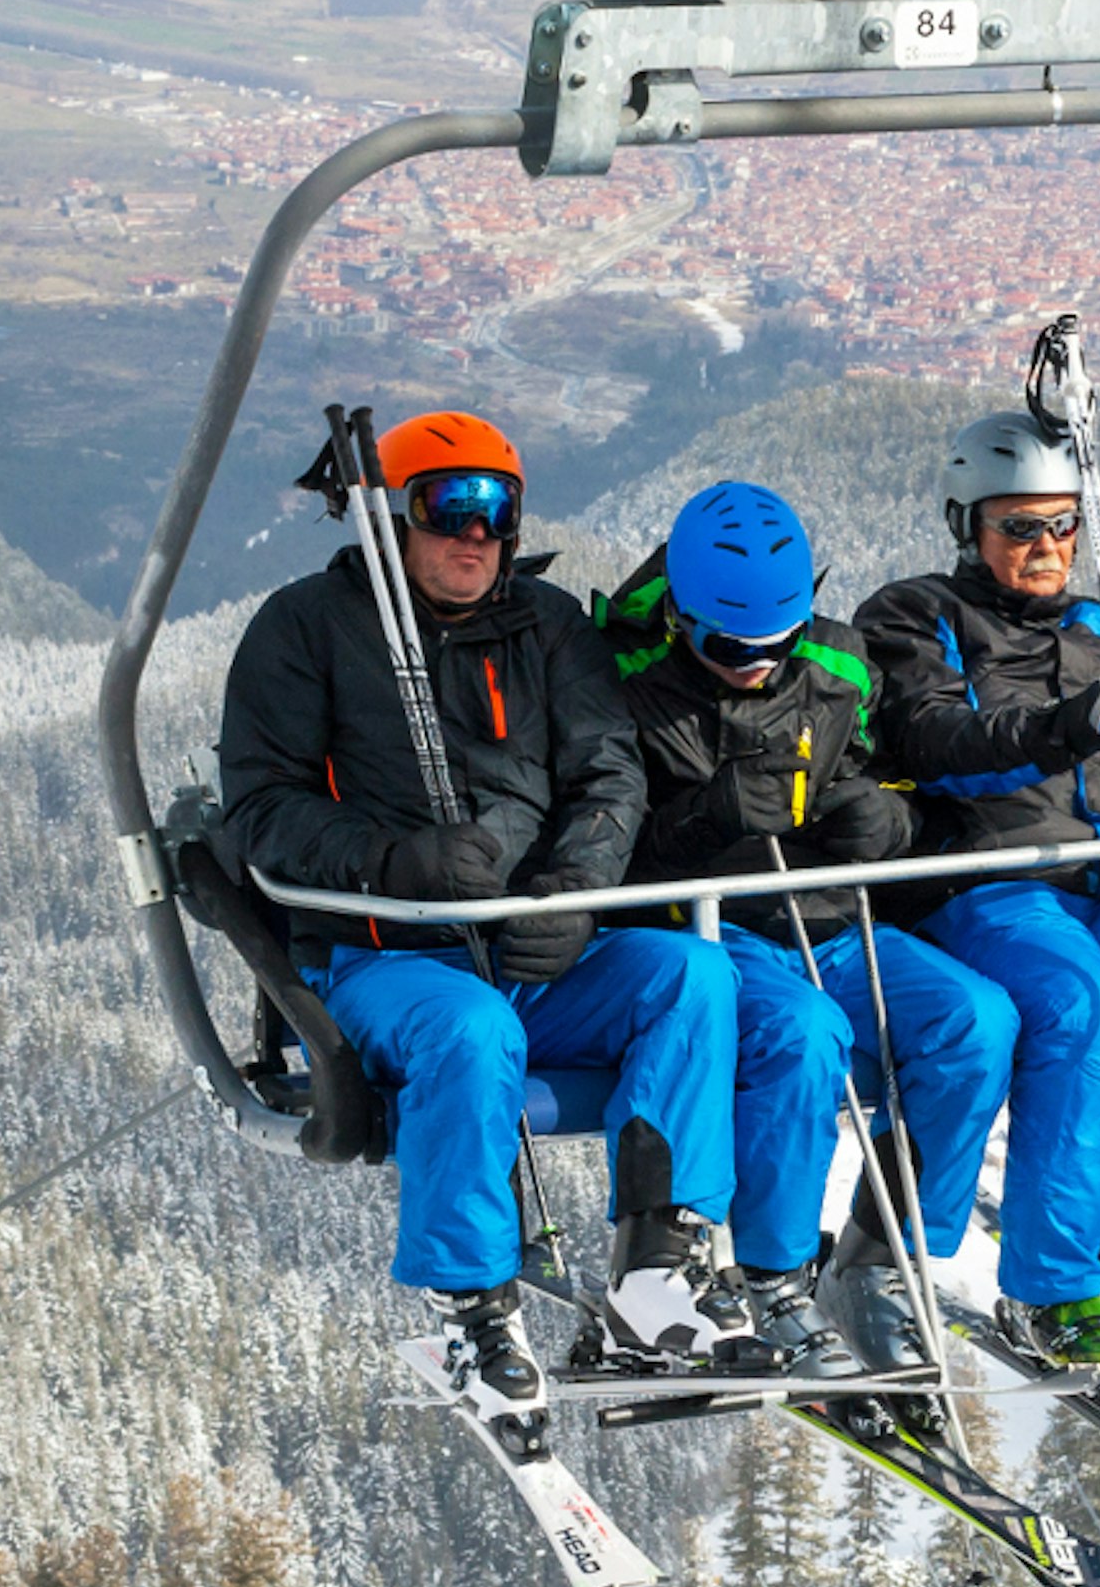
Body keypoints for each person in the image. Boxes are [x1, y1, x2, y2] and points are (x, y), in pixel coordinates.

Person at [216, 408, 751, 1409]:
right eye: (447, 506)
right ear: (392, 515)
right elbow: (262, 812)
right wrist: (395, 861)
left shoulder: (547, 630)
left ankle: (659, 1259)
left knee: (691, 976)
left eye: (495, 511)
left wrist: (573, 895)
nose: (475, 534)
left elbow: (608, 774)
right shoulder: (305, 631)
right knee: (471, 1028)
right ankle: (473, 1305)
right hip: (388, 957)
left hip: (528, 949)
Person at [601, 480, 1023, 1381]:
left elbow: (901, 782)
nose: (756, 664)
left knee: (975, 1022)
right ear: (680, 613)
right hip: (720, 926)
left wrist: (887, 818)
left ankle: (877, 1254)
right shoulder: (627, 687)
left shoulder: (839, 666)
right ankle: (773, 1274)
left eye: (776, 642)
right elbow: (601, 854)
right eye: (729, 646)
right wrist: (705, 818)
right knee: (802, 1035)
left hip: (831, 918)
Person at [858, 410, 1100, 1374]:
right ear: (968, 526)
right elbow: (933, 741)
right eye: (1018, 527)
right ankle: (1052, 1286)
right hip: (993, 878)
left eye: (1062, 525)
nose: (1045, 547)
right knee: (1085, 1019)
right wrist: (1067, 725)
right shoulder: (916, 616)